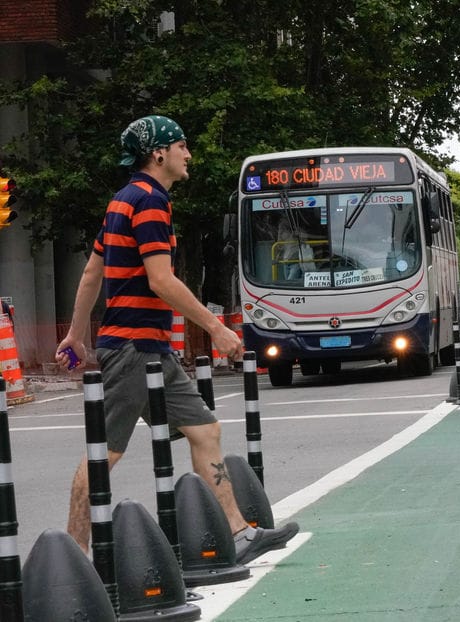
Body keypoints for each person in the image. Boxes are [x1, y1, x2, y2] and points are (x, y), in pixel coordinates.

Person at [55, 115, 298, 564]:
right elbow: (161, 280)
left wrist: (75, 334)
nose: (188, 154)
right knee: (103, 454)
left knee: (205, 430)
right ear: (158, 154)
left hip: (148, 348)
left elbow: (92, 272)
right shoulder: (149, 202)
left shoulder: (121, 201)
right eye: (182, 145)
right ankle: (72, 559)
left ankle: (239, 534)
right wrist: (216, 327)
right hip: (132, 348)